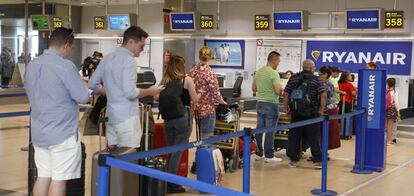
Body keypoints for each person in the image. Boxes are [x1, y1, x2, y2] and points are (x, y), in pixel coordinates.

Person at [24, 27, 90, 196]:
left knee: (43, 176)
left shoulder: (32, 65)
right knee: (59, 179)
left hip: (40, 134)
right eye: (72, 48)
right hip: (62, 135)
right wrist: (84, 86)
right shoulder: (65, 66)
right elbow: (82, 97)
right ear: (67, 45)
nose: (70, 52)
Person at [88, 26, 163, 150]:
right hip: (127, 120)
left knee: (113, 158)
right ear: (130, 42)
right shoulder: (129, 61)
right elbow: (130, 93)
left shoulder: (107, 58)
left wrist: (111, 93)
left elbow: (92, 84)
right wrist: (150, 91)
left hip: (111, 117)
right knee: (128, 158)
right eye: (141, 46)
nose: (142, 50)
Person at [158, 55, 200, 193]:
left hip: (168, 119)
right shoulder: (186, 80)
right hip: (183, 118)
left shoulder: (164, 80)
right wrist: (200, 94)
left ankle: (167, 178)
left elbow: (156, 97)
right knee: (177, 151)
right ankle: (172, 183)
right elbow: (194, 99)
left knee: (171, 150)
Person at [283, 59, 327, 169]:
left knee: (294, 136)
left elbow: (286, 94)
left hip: (296, 113)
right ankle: (317, 160)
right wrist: (321, 110)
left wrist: (286, 109)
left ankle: (293, 160)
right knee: (314, 137)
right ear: (312, 68)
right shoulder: (316, 80)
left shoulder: (294, 78)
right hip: (312, 113)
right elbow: (324, 95)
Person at [188, 46, 227, 140]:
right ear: (210, 57)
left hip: (196, 109)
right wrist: (224, 102)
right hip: (207, 110)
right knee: (206, 138)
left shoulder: (192, 71)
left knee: (199, 137)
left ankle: (200, 154)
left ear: (199, 56)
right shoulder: (209, 73)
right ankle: (204, 154)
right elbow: (216, 93)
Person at [252, 51, 283, 163]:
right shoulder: (274, 73)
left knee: (259, 129)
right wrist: (281, 90)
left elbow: (254, 89)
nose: (278, 63)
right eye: (278, 61)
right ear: (274, 60)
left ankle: (259, 153)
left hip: (260, 103)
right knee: (270, 130)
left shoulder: (258, 72)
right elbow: (277, 90)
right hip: (271, 104)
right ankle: (269, 155)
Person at [318, 66, 340, 150]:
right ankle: (324, 152)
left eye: (320, 75)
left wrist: (321, 110)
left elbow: (324, 97)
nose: (319, 77)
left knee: (323, 133)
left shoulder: (323, 84)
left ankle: (321, 153)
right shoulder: (330, 83)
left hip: (326, 110)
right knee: (329, 133)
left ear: (326, 74)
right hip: (332, 109)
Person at [338, 71, 357, 139]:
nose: (351, 76)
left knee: (340, 118)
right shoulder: (349, 85)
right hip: (348, 103)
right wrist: (355, 91)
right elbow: (353, 93)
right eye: (349, 75)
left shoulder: (339, 83)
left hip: (340, 102)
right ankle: (346, 134)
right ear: (346, 77)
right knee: (347, 118)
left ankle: (339, 133)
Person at [386, 78, 400, 145]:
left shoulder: (386, 91)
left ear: (387, 83)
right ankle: (389, 140)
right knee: (390, 126)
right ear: (394, 84)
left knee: (385, 125)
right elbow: (396, 103)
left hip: (385, 109)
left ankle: (385, 139)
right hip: (392, 110)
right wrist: (398, 111)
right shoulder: (394, 92)